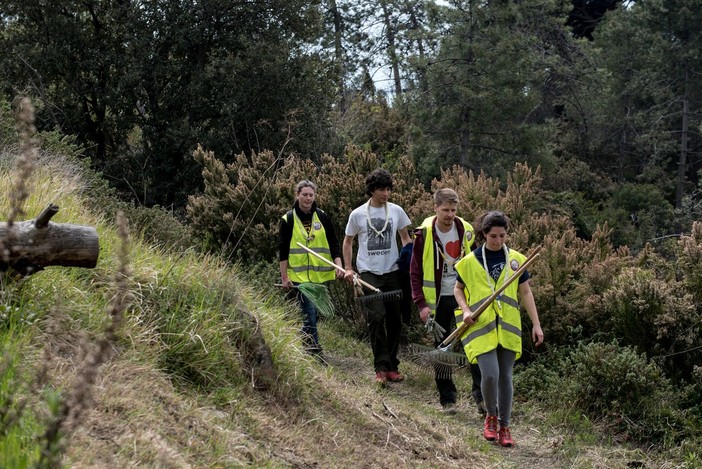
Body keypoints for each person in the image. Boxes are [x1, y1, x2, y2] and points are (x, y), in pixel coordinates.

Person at [453, 211, 544, 447]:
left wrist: (536, 324)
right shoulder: (469, 261)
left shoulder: (516, 259)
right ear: (484, 234)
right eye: (494, 236)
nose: (499, 240)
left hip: (508, 327)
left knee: (506, 377)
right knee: (490, 375)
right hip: (480, 326)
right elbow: (458, 290)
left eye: (503, 236)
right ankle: (490, 418)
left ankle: (504, 425)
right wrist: (465, 310)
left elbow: (525, 292)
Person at [409, 188, 484, 415]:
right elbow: (414, 272)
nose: (450, 215)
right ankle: (448, 400)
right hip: (438, 300)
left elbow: (476, 264)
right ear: (435, 208)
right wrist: (421, 304)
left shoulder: (466, 230)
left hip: (464, 297)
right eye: (445, 210)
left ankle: (481, 397)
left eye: (453, 210)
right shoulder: (423, 234)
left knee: (475, 345)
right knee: (442, 349)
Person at [343, 169, 412, 387]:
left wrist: (412, 261)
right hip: (368, 273)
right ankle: (380, 367)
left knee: (394, 319)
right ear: (372, 190)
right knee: (377, 317)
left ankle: (392, 366)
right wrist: (348, 268)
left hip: (392, 271)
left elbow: (405, 238)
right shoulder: (358, 214)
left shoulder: (397, 211)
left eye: (389, 189)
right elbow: (348, 242)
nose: (386, 193)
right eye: (382, 189)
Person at [279, 180, 343, 361]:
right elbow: (283, 251)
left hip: (319, 276)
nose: (308, 198)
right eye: (304, 194)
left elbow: (333, 243)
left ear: (314, 196)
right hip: (299, 277)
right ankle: (315, 351)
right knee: (309, 312)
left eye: (311, 195)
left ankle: (301, 340)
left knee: (314, 314)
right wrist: (284, 277)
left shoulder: (322, 217)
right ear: (297, 195)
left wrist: (338, 263)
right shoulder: (288, 219)